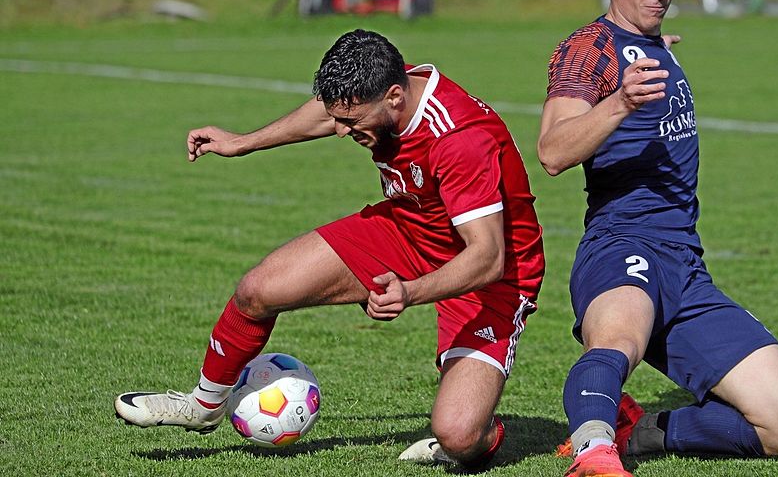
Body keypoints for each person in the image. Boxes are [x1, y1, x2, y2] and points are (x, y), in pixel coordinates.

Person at [114, 29, 545, 468]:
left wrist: (409, 292)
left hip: (491, 274)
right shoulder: (381, 90)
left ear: (394, 97)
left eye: (351, 122)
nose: (339, 132)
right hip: (408, 230)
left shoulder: (459, 139)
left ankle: (483, 435)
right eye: (338, 116)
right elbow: (326, 115)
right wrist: (240, 143)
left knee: (458, 434)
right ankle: (204, 405)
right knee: (258, 290)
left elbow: (488, 257)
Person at [537, 0, 778, 477]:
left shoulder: (653, 42)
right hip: (621, 245)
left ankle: (639, 432)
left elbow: (642, 42)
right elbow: (552, 152)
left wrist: (653, 45)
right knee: (618, 340)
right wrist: (618, 102)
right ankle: (593, 452)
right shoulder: (586, 50)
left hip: (685, 265)